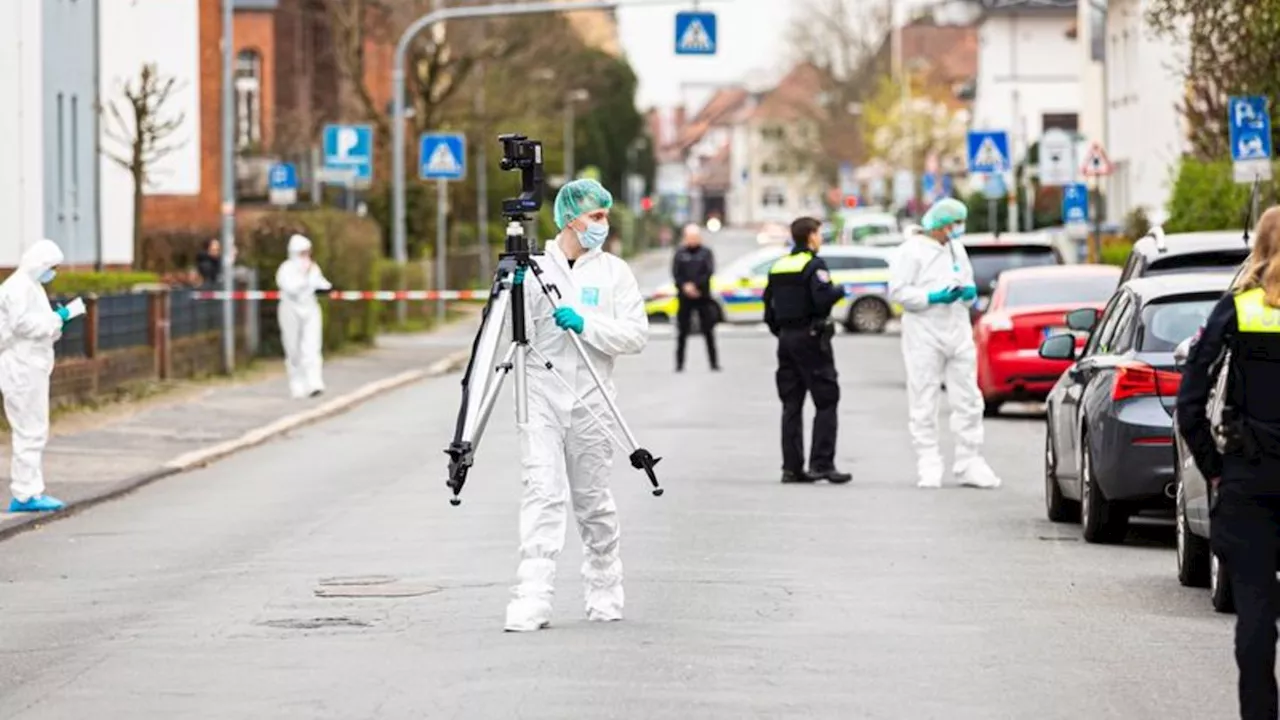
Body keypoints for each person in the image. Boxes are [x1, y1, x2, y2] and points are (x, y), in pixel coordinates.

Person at [505, 179, 649, 633]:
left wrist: (588, 324)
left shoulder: (614, 273)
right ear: (571, 218)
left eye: (605, 216)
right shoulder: (533, 269)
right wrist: (513, 285)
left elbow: (635, 335)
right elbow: (509, 331)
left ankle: (604, 589)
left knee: (592, 503)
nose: (603, 224)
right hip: (541, 396)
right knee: (542, 493)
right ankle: (532, 598)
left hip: (592, 398)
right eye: (596, 216)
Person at [1177, 205, 1280, 720]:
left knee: (1257, 612)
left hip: (1251, 476)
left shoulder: (1238, 310)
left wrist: (1215, 465)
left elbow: (1190, 401)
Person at [888, 197, 1001, 490]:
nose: (958, 229)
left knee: (969, 398)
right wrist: (932, 298)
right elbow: (898, 292)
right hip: (924, 331)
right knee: (924, 397)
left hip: (957, 329)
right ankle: (928, 462)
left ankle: (969, 460)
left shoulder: (955, 249)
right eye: (954, 223)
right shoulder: (910, 251)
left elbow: (967, 283)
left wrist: (967, 293)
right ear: (939, 224)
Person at [762, 217, 852, 485]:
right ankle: (821, 464)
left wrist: (782, 331)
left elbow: (768, 308)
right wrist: (838, 291)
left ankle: (791, 468)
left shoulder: (778, 266)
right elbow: (821, 298)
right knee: (826, 399)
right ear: (811, 237)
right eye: (819, 234)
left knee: (791, 403)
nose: (820, 238)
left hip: (786, 340)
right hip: (811, 339)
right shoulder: (814, 265)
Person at [0, 240, 71, 513]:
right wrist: (57, 319)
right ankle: (26, 493)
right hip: (21, 367)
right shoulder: (18, 288)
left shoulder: (31, 286)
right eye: (51, 267)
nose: (52, 273)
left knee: (34, 429)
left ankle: (30, 489)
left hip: (30, 365)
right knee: (29, 430)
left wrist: (55, 321)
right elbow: (23, 325)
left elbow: (38, 325)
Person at [275, 234, 332, 399]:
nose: (306, 256)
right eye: (302, 253)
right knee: (293, 348)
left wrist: (326, 288)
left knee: (312, 345)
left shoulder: (313, 268)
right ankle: (296, 384)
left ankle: (314, 382)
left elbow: (321, 282)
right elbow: (290, 288)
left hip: (310, 308)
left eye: (307, 252)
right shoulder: (286, 269)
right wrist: (305, 279)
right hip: (290, 309)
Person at [671, 223, 720, 371]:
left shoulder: (706, 253)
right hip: (684, 297)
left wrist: (696, 286)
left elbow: (709, 271)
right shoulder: (680, 253)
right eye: (689, 237)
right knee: (682, 332)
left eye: (695, 237)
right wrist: (685, 286)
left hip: (703, 296)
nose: (692, 240)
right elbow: (675, 273)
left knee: (709, 331)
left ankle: (713, 363)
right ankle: (679, 364)